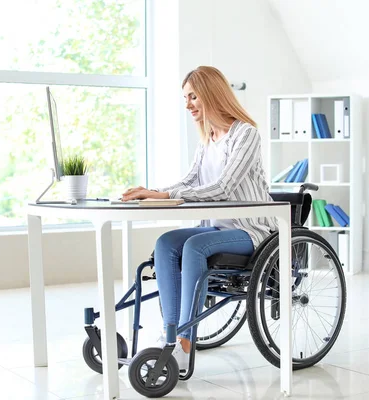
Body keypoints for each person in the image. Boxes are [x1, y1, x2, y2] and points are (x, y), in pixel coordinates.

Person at [121, 65, 278, 370]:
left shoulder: (245, 134)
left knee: (194, 247)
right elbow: (190, 182)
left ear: (211, 93)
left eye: (193, 96)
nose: (188, 104)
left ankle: (184, 342)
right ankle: (171, 335)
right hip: (218, 228)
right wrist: (152, 191)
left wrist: (164, 197)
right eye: (186, 98)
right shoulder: (207, 140)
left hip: (253, 231)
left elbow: (223, 187)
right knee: (166, 242)